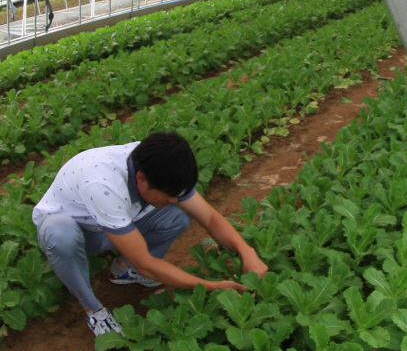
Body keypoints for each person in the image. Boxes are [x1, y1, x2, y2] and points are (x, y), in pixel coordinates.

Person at [32, 131, 266, 335]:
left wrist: (247, 251)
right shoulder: (103, 184)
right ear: (141, 179)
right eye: (168, 194)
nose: (175, 199)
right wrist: (211, 286)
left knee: (177, 214)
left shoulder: (157, 163)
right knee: (59, 234)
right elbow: (146, 262)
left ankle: (124, 271)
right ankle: (93, 309)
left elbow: (210, 217)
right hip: (81, 233)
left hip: (117, 221)